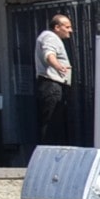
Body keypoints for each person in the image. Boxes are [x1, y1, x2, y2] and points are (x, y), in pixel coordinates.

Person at [34, 12, 73, 145]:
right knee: (51, 123)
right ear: (57, 27)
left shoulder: (49, 37)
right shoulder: (50, 37)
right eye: (67, 27)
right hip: (52, 85)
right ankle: (50, 151)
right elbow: (49, 54)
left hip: (51, 85)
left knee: (54, 123)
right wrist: (58, 66)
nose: (70, 30)